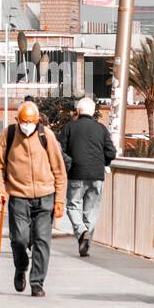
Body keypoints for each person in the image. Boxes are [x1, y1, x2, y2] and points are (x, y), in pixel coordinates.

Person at [0, 98, 67, 297]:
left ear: (37, 121)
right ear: (17, 119)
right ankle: (21, 266)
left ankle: (37, 282)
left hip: (45, 195)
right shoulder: (9, 134)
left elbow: (59, 170)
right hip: (18, 195)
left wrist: (59, 200)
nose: (27, 126)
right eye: (23, 121)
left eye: (31, 122)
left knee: (42, 240)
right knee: (19, 239)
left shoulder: (46, 135)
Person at [60, 96, 117, 257]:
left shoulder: (69, 127)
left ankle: (81, 231)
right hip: (97, 175)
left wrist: (69, 163)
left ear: (78, 111)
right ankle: (85, 242)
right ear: (93, 112)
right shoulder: (101, 129)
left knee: (73, 206)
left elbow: (60, 150)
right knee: (91, 210)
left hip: (76, 173)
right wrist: (103, 162)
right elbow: (111, 152)